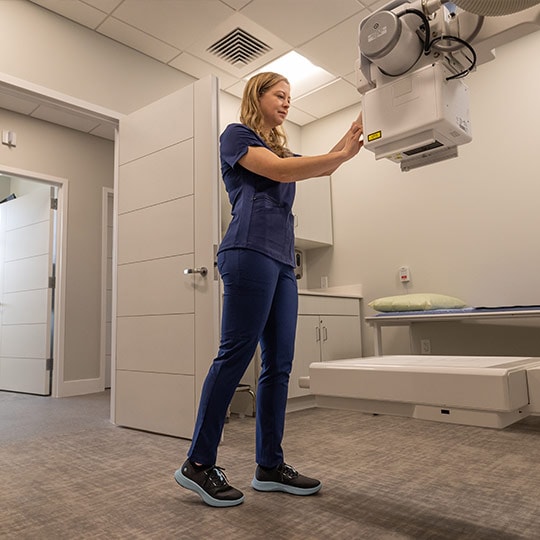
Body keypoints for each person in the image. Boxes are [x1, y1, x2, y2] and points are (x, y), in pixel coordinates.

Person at [175, 72, 363, 507]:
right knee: (235, 355)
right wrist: (339, 154)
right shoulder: (236, 136)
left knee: (279, 363)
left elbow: (320, 164)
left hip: (281, 260)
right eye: (279, 95)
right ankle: (198, 463)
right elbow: (281, 171)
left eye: (290, 97)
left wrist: (352, 136)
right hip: (247, 251)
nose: (286, 103)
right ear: (256, 96)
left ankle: (269, 466)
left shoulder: (278, 146)